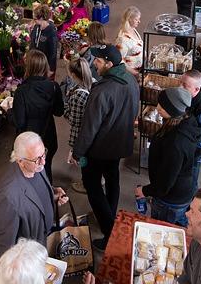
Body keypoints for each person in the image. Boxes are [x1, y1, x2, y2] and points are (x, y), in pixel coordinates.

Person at [71, 44, 138, 250]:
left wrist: (78, 151)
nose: (94, 64)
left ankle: (110, 232)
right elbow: (134, 109)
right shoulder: (130, 80)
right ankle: (111, 215)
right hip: (120, 145)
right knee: (112, 179)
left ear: (109, 64)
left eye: (98, 61)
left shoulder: (101, 91)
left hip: (99, 149)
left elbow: (89, 127)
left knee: (92, 185)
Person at [0, 132, 69, 257]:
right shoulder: (8, 197)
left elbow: (34, 193)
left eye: (43, 154)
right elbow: (6, 244)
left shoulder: (36, 165)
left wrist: (51, 195)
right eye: (37, 159)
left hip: (45, 236)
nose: (44, 162)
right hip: (30, 253)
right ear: (20, 161)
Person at [136, 88, 201, 226]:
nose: (158, 107)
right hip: (181, 192)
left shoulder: (175, 143)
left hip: (170, 200)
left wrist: (144, 191)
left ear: (173, 110)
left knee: (162, 230)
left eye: (163, 105)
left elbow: (165, 183)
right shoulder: (184, 121)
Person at [12, 50, 64, 182]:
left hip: (28, 141)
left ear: (28, 68)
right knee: (46, 169)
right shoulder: (53, 87)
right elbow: (59, 112)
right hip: (48, 137)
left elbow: (19, 122)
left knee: (30, 175)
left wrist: (9, 111)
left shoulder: (21, 91)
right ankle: (49, 194)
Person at [63, 55, 94, 194]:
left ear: (74, 75)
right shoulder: (93, 83)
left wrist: (64, 109)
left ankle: (86, 182)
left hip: (80, 134)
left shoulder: (78, 96)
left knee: (83, 159)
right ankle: (96, 178)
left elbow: (73, 120)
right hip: (92, 130)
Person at [180, 70, 201, 191]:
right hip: (186, 151)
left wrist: (185, 147)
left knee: (190, 184)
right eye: (180, 82)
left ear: (196, 89)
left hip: (194, 155)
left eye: (185, 85)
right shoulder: (189, 97)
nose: (180, 87)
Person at [115, 6, 144, 76]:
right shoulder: (122, 38)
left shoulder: (133, 29)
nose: (139, 21)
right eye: (136, 19)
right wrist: (135, 73)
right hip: (131, 74)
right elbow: (119, 60)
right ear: (129, 19)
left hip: (139, 70)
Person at [30, 4, 58, 73]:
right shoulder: (36, 27)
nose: (34, 21)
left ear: (41, 18)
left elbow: (53, 52)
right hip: (35, 62)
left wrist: (50, 69)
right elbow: (33, 42)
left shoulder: (51, 31)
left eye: (35, 19)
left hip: (44, 65)